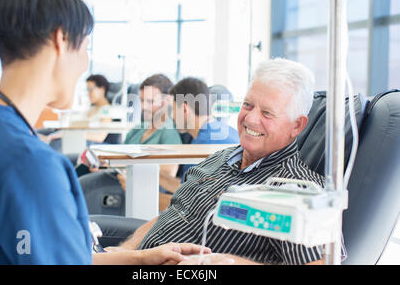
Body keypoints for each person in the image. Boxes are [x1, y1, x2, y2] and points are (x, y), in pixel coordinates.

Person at [0, 0, 207, 265]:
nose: (85, 62)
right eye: (86, 46)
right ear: (61, 37)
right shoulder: (29, 162)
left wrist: (138, 258)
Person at [114, 58, 330, 265]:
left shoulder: (299, 191)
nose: (251, 119)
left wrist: (236, 263)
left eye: (267, 113)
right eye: (247, 105)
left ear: (297, 126)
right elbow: (172, 213)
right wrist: (126, 251)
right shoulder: (219, 158)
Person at [80, 74, 183, 212]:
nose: (143, 106)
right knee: (79, 176)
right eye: (141, 100)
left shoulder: (169, 131)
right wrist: (107, 164)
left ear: (166, 102)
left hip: (136, 187)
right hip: (119, 177)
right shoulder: (138, 129)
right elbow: (121, 156)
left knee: (83, 187)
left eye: (150, 101)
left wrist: (127, 172)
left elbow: (167, 174)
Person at [158, 77, 240, 210]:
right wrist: (156, 176)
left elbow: (186, 204)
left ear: (184, 109)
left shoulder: (202, 146)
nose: (171, 117)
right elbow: (187, 187)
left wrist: (138, 191)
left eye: (172, 110)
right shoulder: (228, 132)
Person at [42, 74, 120, 149]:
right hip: (75, 136)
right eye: (87, 90)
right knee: (38, 134)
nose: (88, 93)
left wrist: (68, 135)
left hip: (86, 141)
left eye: (91, 90)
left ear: (102, 89)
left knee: (55, 143)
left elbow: (99, 137)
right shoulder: (91, 109)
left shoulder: (107, 111)